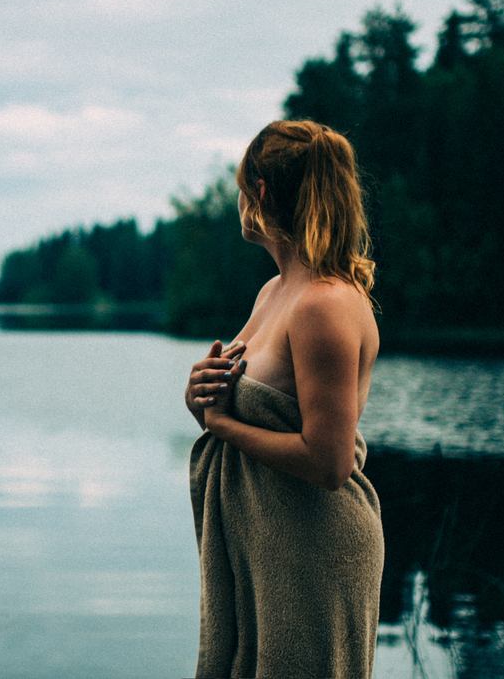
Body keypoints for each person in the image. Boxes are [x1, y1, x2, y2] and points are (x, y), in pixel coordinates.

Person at [185, 118, 385, 679]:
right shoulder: (275, 291)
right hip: (268, 549)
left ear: (262, 194)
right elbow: (241, 403)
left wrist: (224, 428)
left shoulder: (323, 305)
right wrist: (200, 395)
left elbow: (329, 461)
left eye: (242, 185)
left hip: (316, 552)